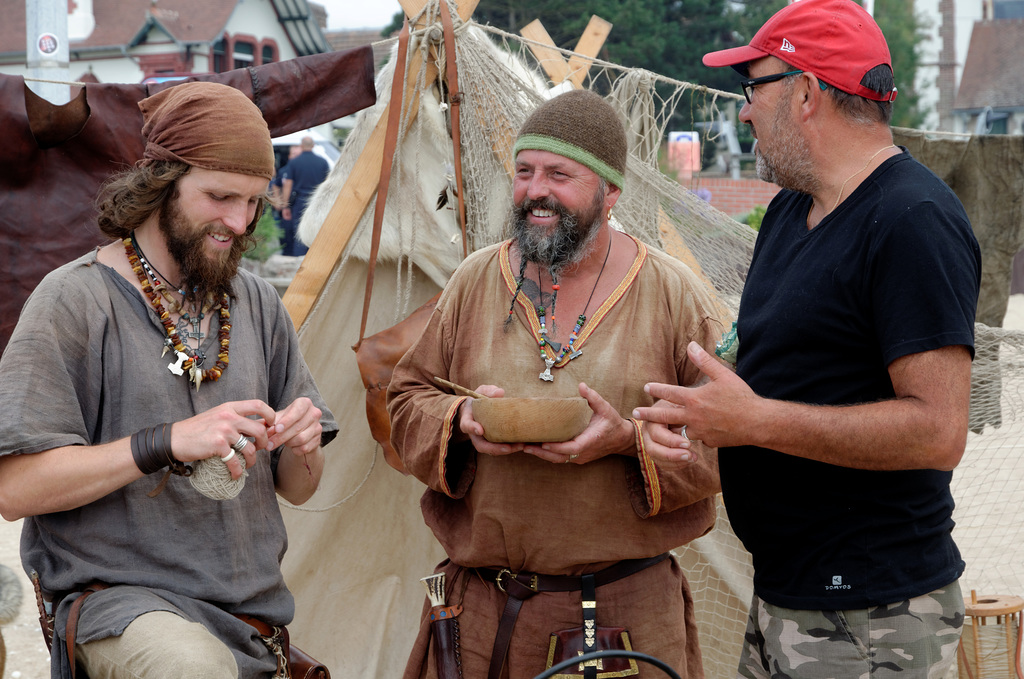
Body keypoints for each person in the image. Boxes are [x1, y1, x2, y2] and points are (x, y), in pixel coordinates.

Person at [634, 1, 981, 677]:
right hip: (788, 597)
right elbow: (770, 361)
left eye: (751, 89)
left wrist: (754, 420)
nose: (743, 113)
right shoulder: (792, 209)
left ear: (806, 93)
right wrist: (690, 417)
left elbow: (940, 430)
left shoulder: (913, 220)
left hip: (875, 619)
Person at [0, 81, 338, 679]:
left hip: (252, 618)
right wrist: (165, 442)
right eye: (219, 196)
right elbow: (15, 489)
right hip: (120, 603)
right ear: (160, 181)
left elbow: (298, 489)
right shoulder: (74, 300)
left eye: (254, 201)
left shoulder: (257, 302)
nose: (239, 221)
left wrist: (303, 444)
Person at [387, 89, 726, 679]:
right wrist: (461, 422)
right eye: (524, 171)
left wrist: (628, 441)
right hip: (481, 612)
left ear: (610, 191)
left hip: (624, 616)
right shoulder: (474, 280)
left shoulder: (672, 293)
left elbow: (732, 434)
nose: (535, 190)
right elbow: (407, 398)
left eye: (559, 174)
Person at [278, 136, 330, 257]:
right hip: (318, 201)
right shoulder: (322, 162)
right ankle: (316, 258)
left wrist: (285, 206)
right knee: (317, 231)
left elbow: (288, 185)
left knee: (299, 232)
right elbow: (327, 183)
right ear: (313, 146)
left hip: (299, 201)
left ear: (301, 146)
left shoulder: (294, 163)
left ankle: (299, 262)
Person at [269, 144, 302, 251]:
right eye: (293, 154)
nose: (295, 157)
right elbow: (276, 184)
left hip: (299, 209)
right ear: (289, 156)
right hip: (285, 211)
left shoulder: (304, 171)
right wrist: (278, 201)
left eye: (298, 154)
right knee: (286, 239)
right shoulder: (284, 171)